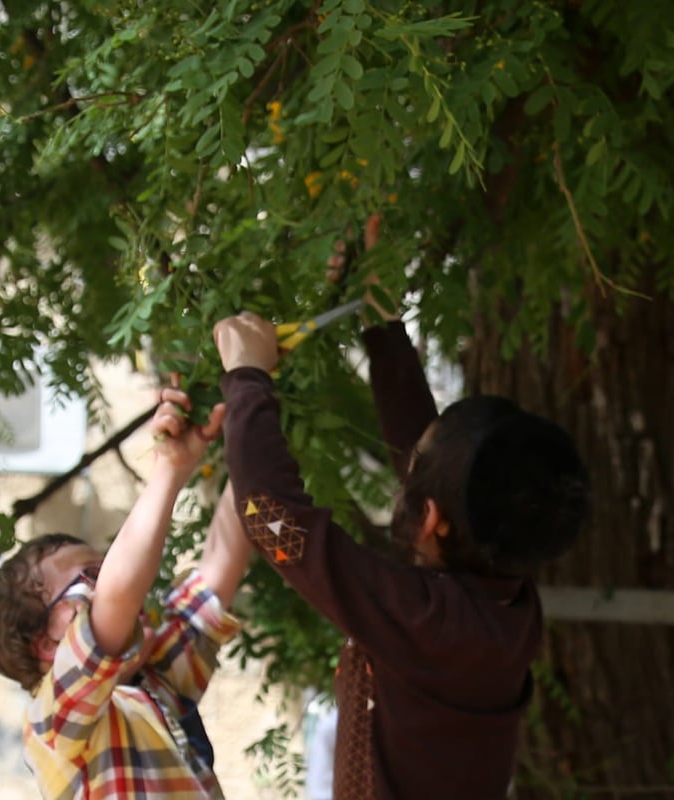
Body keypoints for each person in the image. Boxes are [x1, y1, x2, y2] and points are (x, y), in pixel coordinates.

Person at [211, 221, 590, 800]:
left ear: (433, 519)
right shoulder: (500, 600)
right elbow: (434, 469)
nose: (406, 458)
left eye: (415, 462)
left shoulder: (434, 622)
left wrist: (246, 378)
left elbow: (270, 519)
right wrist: (383, 323)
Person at [0, 385, 250, 799]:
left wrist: (250, 412)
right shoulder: (52, 723)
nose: (121, 581)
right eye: (92, 576)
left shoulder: (153, 683)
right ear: (48, 644)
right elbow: (117, 598)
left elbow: (218, 565)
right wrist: (170, 469)